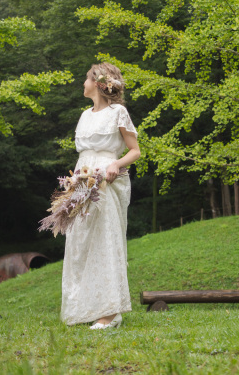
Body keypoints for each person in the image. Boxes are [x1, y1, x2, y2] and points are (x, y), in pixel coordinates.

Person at [61, 63, 141, 329]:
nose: (82, 83)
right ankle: (85, 308)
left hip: (107, 181)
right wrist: (74, 181)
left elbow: (134, 150)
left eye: (86, 78)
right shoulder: (84, 115)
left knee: (105, 241)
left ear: (97, 82)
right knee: (80, 244)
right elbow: (84, 153)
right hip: (83, 182)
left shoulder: (118, 112)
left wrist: (116, 164)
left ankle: (110, 312)